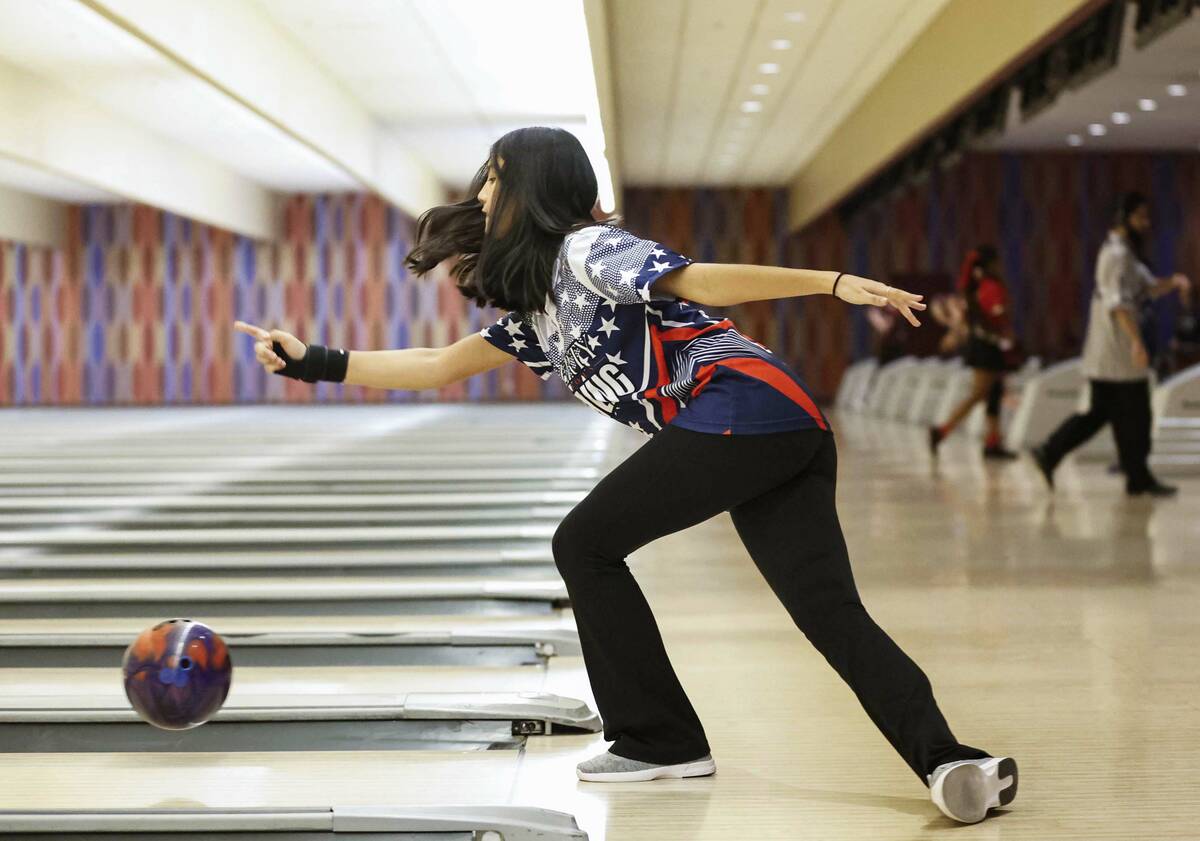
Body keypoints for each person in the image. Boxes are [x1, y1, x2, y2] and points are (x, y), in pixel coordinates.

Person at [235, 127, 1017, 824]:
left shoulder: (587, 249)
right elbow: (440, 364)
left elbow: (697, 281)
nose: (481, 191)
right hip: (782, 421)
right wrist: (317, 361)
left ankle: (659, 740)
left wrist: (832, 282)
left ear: (532, 186)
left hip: (738, 404)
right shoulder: (539, 308)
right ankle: (951, 761)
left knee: (584, 543)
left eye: (495, 176)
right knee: (828, 613)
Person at [1032, 192, 1190, 496]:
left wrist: (1175, 282)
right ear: (1124, 218)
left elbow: (1148, 287)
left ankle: (1055, 453)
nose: (1146, 223)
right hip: (1117, 351)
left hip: (1114, 352)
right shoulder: (1116, 256)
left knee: (1107, 412)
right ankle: (1135, 475)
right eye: (1141, 217)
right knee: (1136, 414)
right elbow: (1118, 305)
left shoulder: (1125, 254)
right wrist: (1136, 343)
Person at [929, 246, 1018, 459]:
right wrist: (1007, 330)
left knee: (994, 394)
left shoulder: (975, 287)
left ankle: (993, 442)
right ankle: (942, 430)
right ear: (990, 264)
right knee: (979, 393)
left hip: (984, 345)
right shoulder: (990, 286)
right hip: (986, 347)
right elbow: (997, 314)